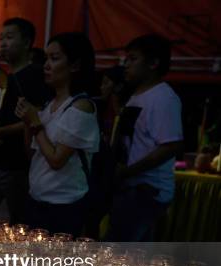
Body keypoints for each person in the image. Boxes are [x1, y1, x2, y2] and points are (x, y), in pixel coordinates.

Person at [15, 32, 100, 238]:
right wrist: (28, 121)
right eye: (46, 58)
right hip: (37, 200)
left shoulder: (81, 107)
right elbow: (32, 156)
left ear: (75, 65)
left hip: (64, 207)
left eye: (54, 59)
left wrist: (35, 123)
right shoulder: (48, 105)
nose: (46, 65)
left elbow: (56, 160)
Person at [0, 18, 49, 226]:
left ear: (27, 42)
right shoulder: (10, 76)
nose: (3, 43)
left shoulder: (35, 75)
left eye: (10, 37)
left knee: (20, 225)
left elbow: (37, 119)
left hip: (18, 166)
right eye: (1, 38)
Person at [106, 34, 183, 241]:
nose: (126, 65)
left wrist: (128, 171)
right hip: (129, 186)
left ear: (153, 63)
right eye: (126, 59)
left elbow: (170, 146)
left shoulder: (163, 97)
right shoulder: (137, 95)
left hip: (146, 190)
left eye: (133, 59)